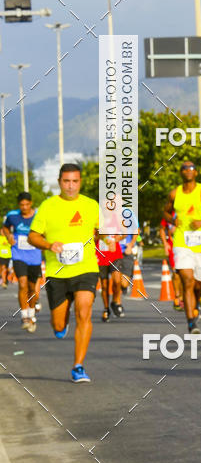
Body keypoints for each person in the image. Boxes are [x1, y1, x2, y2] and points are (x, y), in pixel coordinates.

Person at [28, 163, 100, 383]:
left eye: (75, 181)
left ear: (80, 182)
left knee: (84, 311)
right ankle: (63, 319)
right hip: (57, 272)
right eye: (66, 181)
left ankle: (78, 366)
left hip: (86, 268)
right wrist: (49, 245)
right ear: (59, 182)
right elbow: (33, 236)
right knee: (58, 325)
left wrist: (108, 234)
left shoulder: (91, 205)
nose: (70, 186)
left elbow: (101, 231)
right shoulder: (48, 206)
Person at [164, 161, 201, 334]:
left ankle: (196, 301)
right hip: (181, 243)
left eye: (191, 168)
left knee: (200, 283)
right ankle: (191, 323)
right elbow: (165, 212)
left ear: (196, 172)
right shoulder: (175, 193)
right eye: (184, 168)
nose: (188, 170)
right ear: (181, 172)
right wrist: (172, 220)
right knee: (187, 280)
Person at [2, 192, 43, 333]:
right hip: (18, 254)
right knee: (22, 283)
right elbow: (5, 227)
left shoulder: (39, 216)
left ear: (31, 203)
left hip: (35, 256)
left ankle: (31, 313)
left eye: (27, 204)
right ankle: (24, 316)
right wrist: (9, 236)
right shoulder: (12, 215)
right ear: (19, 205)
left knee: (32, 288)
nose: (24, 207)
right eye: (21, 205)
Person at [96, 235, 123, 321]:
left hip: (115, 253)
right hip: (101, 254)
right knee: (104, 285)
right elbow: (93, 236)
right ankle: (106, 308)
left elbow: (124, 233)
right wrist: (102, 238)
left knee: (117, 281)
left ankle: (114, 301)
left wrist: (119, 238)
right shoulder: (96, 225)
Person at [159, 216, 183, 309]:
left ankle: (183, 296)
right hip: (173, 247)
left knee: (185, 274)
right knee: (176, 273)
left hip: (187, 246)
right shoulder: (169, 214)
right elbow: (162, 229)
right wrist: (165, 244)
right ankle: (177, 296)